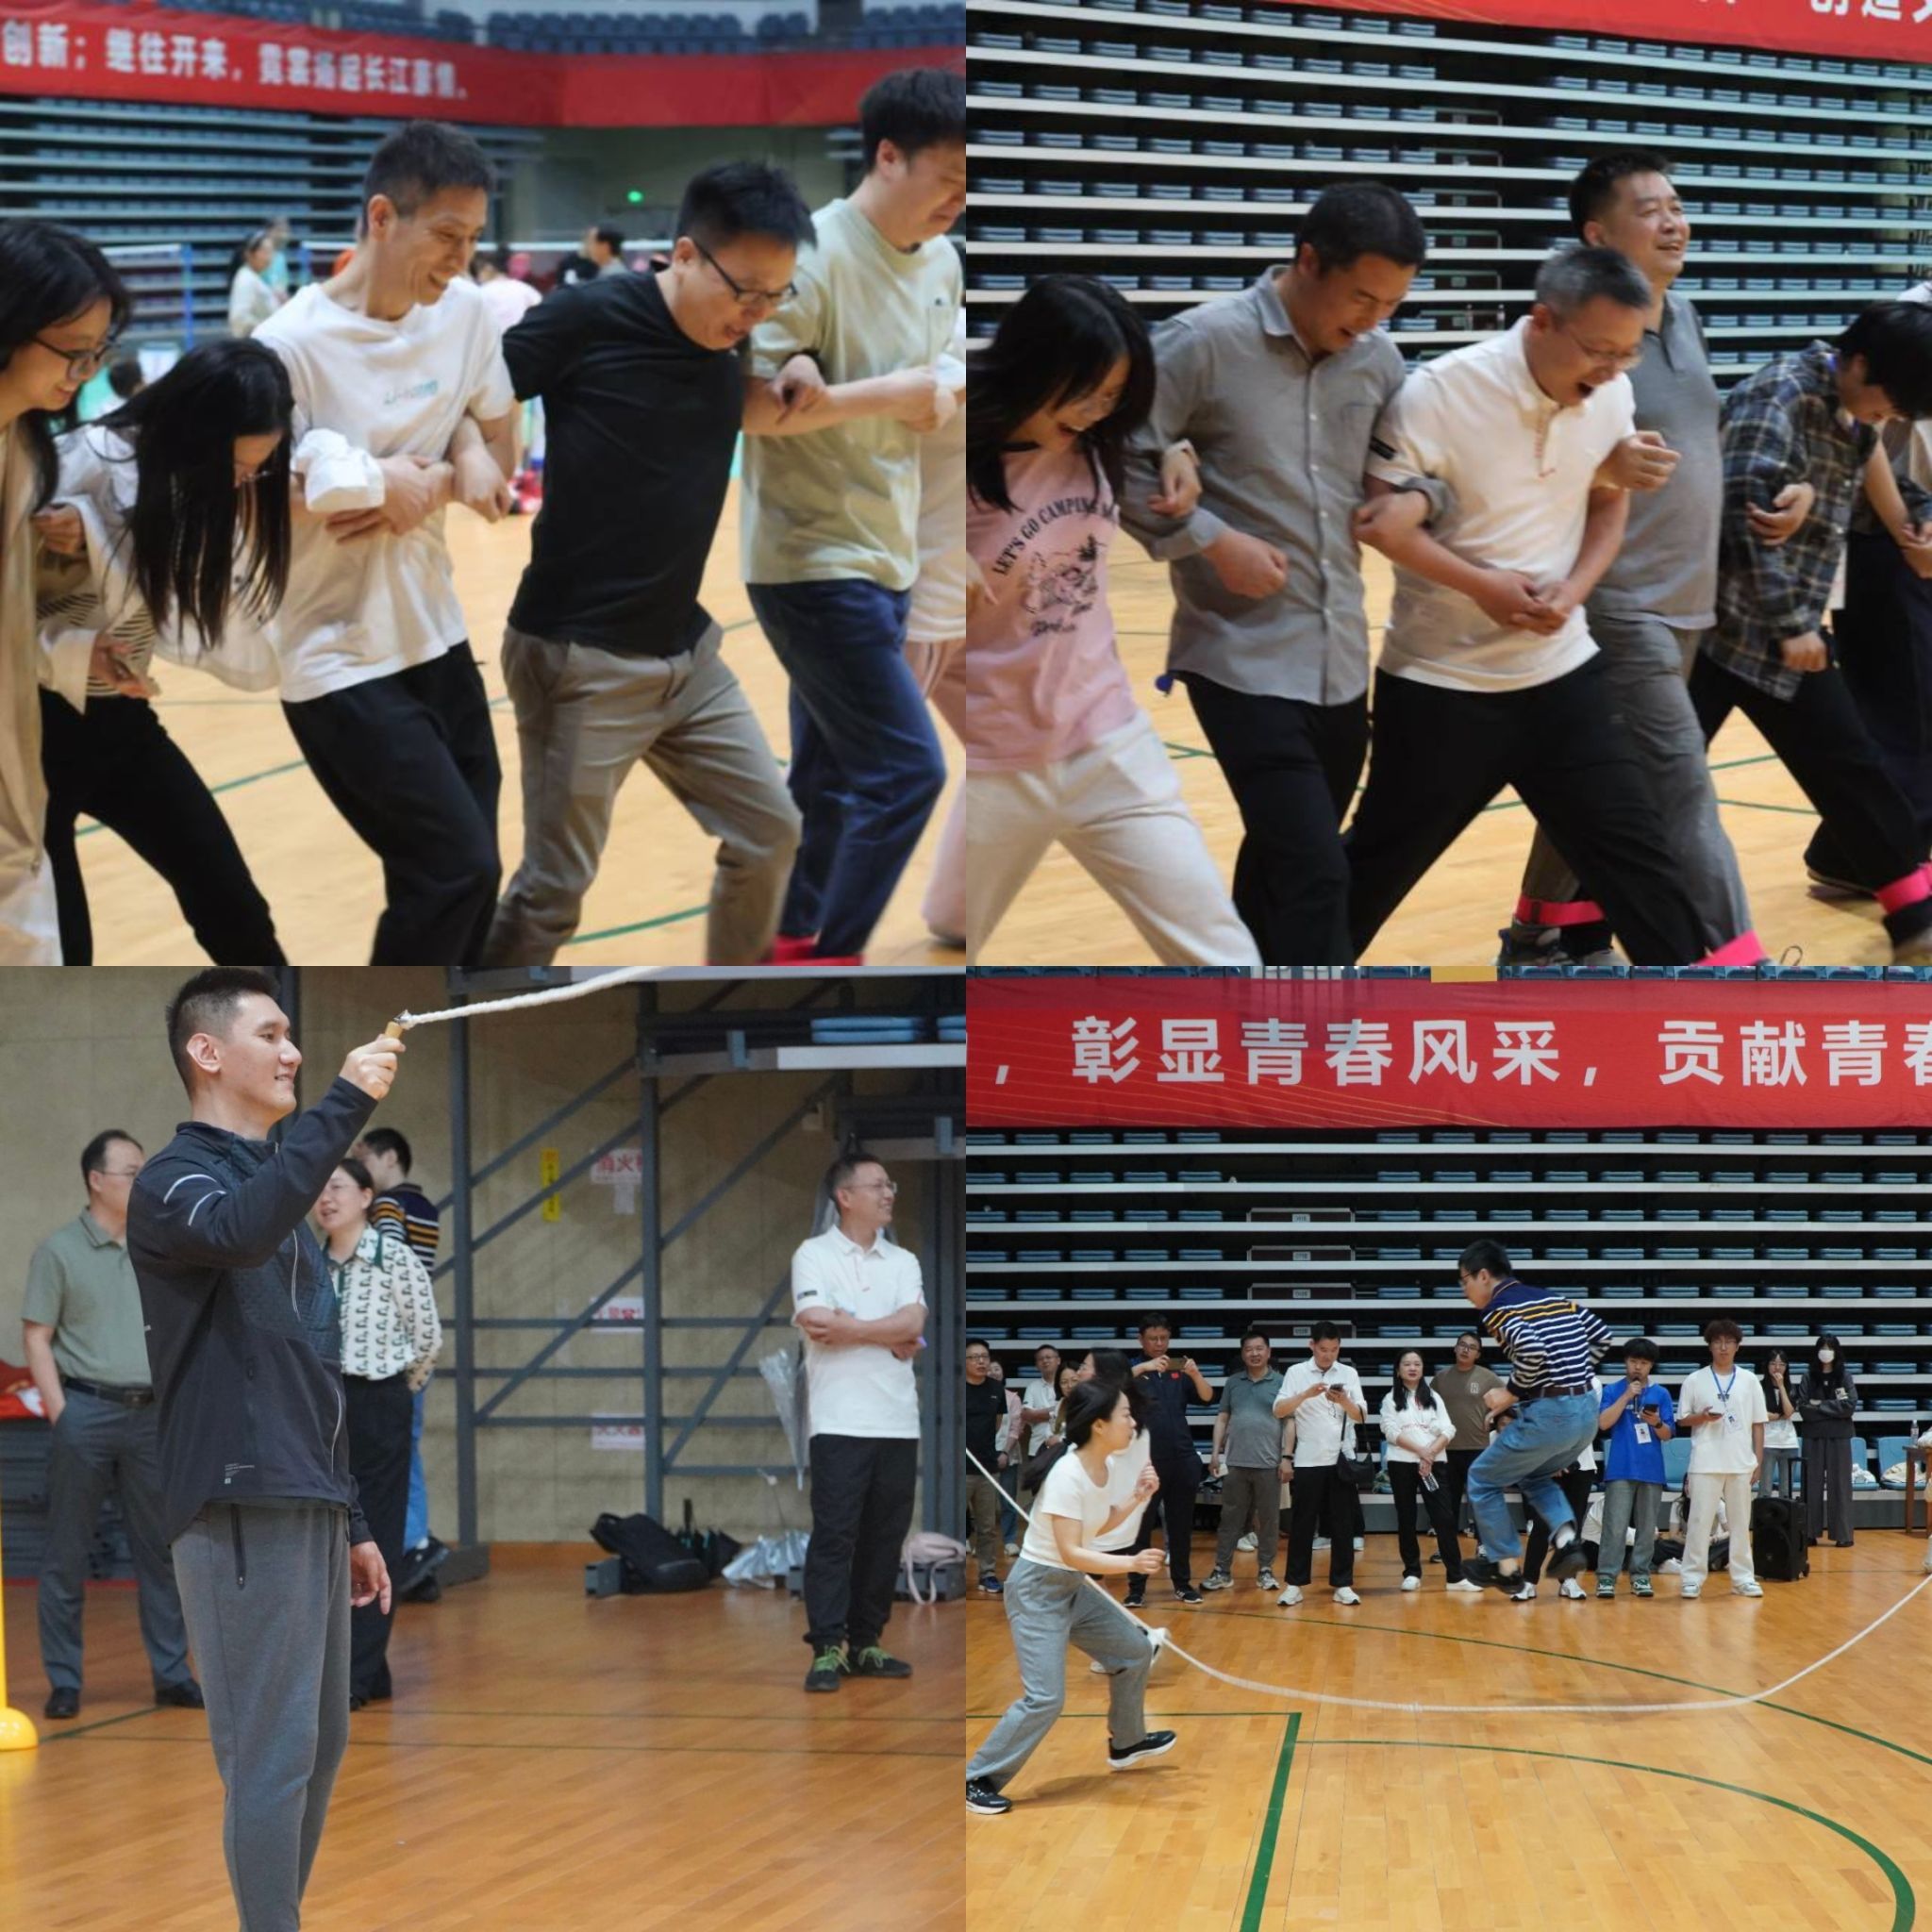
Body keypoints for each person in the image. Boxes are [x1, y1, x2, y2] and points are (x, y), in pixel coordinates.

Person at [481, 161, 823, 969]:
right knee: (554, 892)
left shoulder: (728, 332)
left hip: (688, 657)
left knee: (770, 833)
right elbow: (475, 391)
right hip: (580, 657)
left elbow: (746, 379)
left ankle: (728, 1001)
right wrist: (474, 460)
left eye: (776, 297)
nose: (756, 314)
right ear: (686, 255)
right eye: (746, 293)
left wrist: (800, 358)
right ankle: (477, 1014)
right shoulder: (590, 316)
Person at [126, 968, 400, 1932]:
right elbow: (238, 1233)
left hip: (307, 1498)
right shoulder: (174, 1182)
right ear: (207, 1052)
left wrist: (351, 1516)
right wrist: (346, 1103)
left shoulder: (275, 1192)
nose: (294, 1052)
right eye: (272, 1034)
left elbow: (312, 1371)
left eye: (293, 1036)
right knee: (271, 1754)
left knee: (317, 1749)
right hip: (236, 1499)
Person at [1350, 246, 1714, 964]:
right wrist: (1481, 585)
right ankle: (1275, 1002)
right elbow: (1382, 522)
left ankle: (1697, 1011)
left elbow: (1608, 498)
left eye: (1628, 353)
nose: (1612, 370)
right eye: (1599, 350)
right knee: (1374, 868)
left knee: (1643, 867)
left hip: (1562, 676)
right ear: (1542, 321)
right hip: (1441, 684)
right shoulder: (1441, 391)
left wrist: (1574, 589)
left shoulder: (1610, 391)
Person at [1500, 152, 1810, 966]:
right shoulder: (1572, 341)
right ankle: (1737, 969)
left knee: (1607, 774)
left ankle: (1539, 933)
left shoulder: (1684, 314)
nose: (1674, 222)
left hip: (1688, 599)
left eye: (1676, 205)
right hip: (1619, 599)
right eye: (1650, 210)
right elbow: (1529, 455)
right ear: (1597, 235)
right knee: (1680, 791)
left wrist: (1788, 489)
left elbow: (1705, 434)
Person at [1120, 183, 1428, 963]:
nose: (1374, 319)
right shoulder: (1202, 343)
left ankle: (1241, 1005)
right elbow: (1114, 455)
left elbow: (1416, 470)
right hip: (1237, 656)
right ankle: (1322, 1032)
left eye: (1392, 304)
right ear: (1309, 261)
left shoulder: (1379, 362)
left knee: (1279, 868)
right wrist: (1211, 539)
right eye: (1362, 297)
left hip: (1340, 661)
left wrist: (1416, 501)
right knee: (1317, 873)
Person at [254, 120, 520, 966]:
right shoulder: (287, 346)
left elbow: (502, 447)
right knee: (452, 870)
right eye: (446, 235)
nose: (461, 258)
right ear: (381, 217)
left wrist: (444, 472)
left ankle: (430, 1027)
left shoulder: (467, 314)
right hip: (335, 654)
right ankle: (390, 1028)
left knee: (471, 875)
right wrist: (373, 483)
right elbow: (247, 501)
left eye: (473, 238)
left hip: (435, 633)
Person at [963, 275, 1259, 965]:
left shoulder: (1096, 437)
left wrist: (1175, 449)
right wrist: (924, 561)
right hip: (992, 764)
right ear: (1036, 366)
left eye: (1113, 396)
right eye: (1087, 391)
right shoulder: (952, 454)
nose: (1098, 410)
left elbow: (1161, 422)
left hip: (1108, 743)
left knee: (1224, 960)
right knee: (946, 957)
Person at [742, 67, 965, 963]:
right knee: (908, 772)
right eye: (948, 178)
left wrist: (919, 391)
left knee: (829, 778)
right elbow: (757, 407)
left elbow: (939, 382)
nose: (959, 200)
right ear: (889, 157)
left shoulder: (943, 262)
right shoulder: (811, 255)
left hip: (886, 554)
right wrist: (887, 392)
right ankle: (836, 958)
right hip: (809, 560)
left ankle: (788, 937)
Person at [33, 337, 291, 963]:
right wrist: (72, 647)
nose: (242, 482)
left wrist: (98, 541)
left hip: (119, 720)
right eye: (237, 466)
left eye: (254, 471)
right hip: (30, 730)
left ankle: (277, 1009)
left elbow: (185, 608)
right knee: (63, 948)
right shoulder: (79, 462)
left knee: (233, 906)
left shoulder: (189, 483)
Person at [1692, 304, 1932, 962]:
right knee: (1657, 789)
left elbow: (1873, 490)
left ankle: (1916, 920)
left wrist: (1921, 516)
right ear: (1858, 363)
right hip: (1722, 635)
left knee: (1852, 767)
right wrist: (1793, 625)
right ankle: (1563, 927)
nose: (1886, 416)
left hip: (1779, 640)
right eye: (1887, 402)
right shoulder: (1781, 394)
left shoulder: (1848, 411)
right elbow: (1741, 519)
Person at [24, 1130, 202, 1720]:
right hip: (85, 1413)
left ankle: (172, 1674)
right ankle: (64, 1679)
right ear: (96, 1180)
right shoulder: (59, 1251)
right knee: (66, 1553)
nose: (142, 1181)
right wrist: (61, 1413)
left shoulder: (157, 1246)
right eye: (131, 1172)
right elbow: (37, 1337)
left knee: (162, 1552)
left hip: (151, 1417)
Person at [0, 220, 128, 961]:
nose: (84, 372)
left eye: (97, 353)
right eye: (73, 351)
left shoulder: (25, 446)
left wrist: (75, 651)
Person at [964, 1378, 1174, 1817]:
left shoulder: (1104, 1466)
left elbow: (1097, 1524)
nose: (1132, 1422)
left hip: (1070, 1587)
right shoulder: (1067, 1475)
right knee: (1045, 1698)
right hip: (1038, 1591)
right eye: (1125, 1415)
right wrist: (1133, 1564)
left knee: (1135, 1652)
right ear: (1099, 1425)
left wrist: (1137, 1498)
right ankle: (977, 1777)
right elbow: (1072, 1551)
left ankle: (1127, 1742)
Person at [1807, 277, 1932, 896]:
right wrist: (1910, 528)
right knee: (1900, 716)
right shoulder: (1905, 326)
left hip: (1917, 528)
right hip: (1890, 542)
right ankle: (1878, 861)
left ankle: (1860, 855)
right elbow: (1865, 442)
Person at [791, 1148, 925, 1693]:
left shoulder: (903, 1261)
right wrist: (887, 1333)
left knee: (883, 1539)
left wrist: (854, 1327)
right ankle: (827, 1648)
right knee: (835, 1536)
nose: (889, 1192)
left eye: (890, 1185)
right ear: (845, 1196)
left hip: (897, 1422)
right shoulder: (813, 1254)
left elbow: (914, 1322)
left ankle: (867, 1641)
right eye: (877, 1185)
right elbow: (816, 1319)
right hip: (839, 1421)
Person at [313, 1157, 441, 1707]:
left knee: (378, 1537)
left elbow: (427, 1339)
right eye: (319, 1190)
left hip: (381, 1399)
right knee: (335, 1537)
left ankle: (358, 1675)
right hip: (326, 1408)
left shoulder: (395, 1258)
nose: (326, 1198)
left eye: (338, 1187)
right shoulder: (311, 1264)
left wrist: (395, 1393)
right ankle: (371, 1666)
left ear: (367, 1196)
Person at [1455, 1240, 1613, 1593]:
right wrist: (1572, 1378)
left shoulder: (1498, 1308)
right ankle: (1568, 1542)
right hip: (1586, 1413)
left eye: (1464, 1281)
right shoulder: (1552, 1298)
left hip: (1551, 1413)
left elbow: (1531, 1350)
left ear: (1483, 1276)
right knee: (1533, 1475)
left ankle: (1505, 1567)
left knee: (1480, 1477)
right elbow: (1602, 1336)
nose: (1464, 1291)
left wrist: (1510, 1393)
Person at [353, 1125, 446, 1599]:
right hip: (415, 1337)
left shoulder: (388, 1207)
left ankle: (411, 1546)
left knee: (395, 1452)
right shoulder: (426, 1206)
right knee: (406, 1447)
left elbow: (384, 1263)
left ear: (390, 1158)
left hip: (393, 1345)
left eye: (364, 1158)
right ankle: (416, 1546)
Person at [908, 306, 968, 949]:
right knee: (868, 772)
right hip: (909, 599)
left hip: (958, 597)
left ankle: (956, 909)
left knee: (1007, 749)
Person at [1272, 1320, 1367, 1607]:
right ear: (1311, 1345)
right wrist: (1305, 1395)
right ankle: (1294, 1585)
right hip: (1307, 1460)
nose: (1329, 1355)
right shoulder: (1296, 1372)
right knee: (1302, 1525)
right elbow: (1278, 1411)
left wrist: (1344, 1401)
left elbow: (1361, 1415)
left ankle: (1343, 1584)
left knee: (1343, 1525)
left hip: (1340, 1459)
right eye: (1324, 1349)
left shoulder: (1349, 1373)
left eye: (1334, 1349)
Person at [1676, 1318, 1767, 1599]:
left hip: (1740, 1463)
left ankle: (1743, 1578)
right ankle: (1691, 1578)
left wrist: (1758, 1461)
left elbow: (1758, 1423)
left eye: (1729, 1342)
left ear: (1738, 1346)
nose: (1724, 1347)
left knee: (1740, 1524)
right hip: (1705, 1462)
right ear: (1710, 1346)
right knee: (1699, 1522)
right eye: (1718, 1342)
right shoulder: (1695, 1380)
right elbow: (1682, 1419)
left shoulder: (1750, 1380)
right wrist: (1702, 1417)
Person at [1125, 1312, 1211, 1605]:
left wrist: (1195, 1374)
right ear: (1141, 1339)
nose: (1159, 1344)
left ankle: (1183, 1584)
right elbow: (1110, 1387)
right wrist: (1144, 1367)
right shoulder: (1132, 1369)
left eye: (1163, 1338)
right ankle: (1136, 1589)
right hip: (1145, 1461)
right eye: (1153, 1339)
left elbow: (1207, 1397)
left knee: (1181, 1526)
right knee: (1141, 1527)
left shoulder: (1179, 1368)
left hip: (1182, 1457)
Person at [1380, 1349, 1475, 1592]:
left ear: (1423, 1369)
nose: (1412, 1368)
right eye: (1407, 1364)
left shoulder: (1434, 1397)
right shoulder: (1390, 1399)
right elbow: (1390, 1432)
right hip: (1401, 1464)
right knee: (1406, 1518)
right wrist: (1422, 1451)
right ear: (1398, 1370)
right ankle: (1412, 1572)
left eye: (1417, 1364)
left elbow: (1448, 1429)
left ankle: (1455, 1576)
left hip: (1434, 1464)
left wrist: (1429, 1454)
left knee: (1444, 1518)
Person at [1204, 1326, 1288, 1593]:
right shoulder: (1233, 1383)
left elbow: (1290, 1422)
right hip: (1236, 1464)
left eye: (1259, 1348)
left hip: (1269, 1465)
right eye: (1249, 1349)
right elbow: (1222, 1418)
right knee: (1230, 1520)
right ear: (1242, 1354)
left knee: (1269, 1522)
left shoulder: (1282, 1382)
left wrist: (1287, 1457)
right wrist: (1215, 1453)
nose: (1254, 1353)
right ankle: (1222, 1571)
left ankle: (1266, 1571)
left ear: (1268, 1352)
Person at [1595, 1338, 1675, 1598]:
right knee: (1615, 1526)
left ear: (1651, 1366)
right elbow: (1603, 1424)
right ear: (1625, 1362)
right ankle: (1607, 1577)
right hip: (1621, 1467)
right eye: (1633, 1361)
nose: (1637, 1367)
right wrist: (1627, 1396)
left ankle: (1640, 1574)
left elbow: (1667, 1435)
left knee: (1647, 1527)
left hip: (1651, 1469)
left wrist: (1657, 1423)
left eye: (1643, 1363)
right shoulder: (1612, 1390)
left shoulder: (1661, 1394)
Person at [1514, 1385, 1599, 1601]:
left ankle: (1568, 1580)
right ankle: (1529, 1581)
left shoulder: (1593, 1383)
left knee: (1573, 1525)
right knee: (1542, 1525)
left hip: (1582, 1466)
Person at [1431, 1330, 1505, 1541]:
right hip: (1446, 1450)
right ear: (1455, 1348)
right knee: (1448, 1503)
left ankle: (1484, 1546)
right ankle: (1447, 1549)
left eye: (1472, 1347)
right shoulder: (1440, 1379)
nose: (1466, 1350)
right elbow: (1428, 1410)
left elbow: (1508, 1398)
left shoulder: (1488, 1377)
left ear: (1478, 1354)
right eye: (1462, 1345)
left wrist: (1493, 1415)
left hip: (1478, 1449)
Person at [1795, 1332, 1858, 1547]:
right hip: (1813, 1436)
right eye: (1823, 1347)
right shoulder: (1808, 1376)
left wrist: (1819, 1405)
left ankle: (1843, 1534)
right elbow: (1804, 1408)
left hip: (1839, 1437)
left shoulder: (1844, 1376)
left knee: (1840, 1485)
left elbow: (1850, 1405)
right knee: (1810, 1485)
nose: (1826, 1351)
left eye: (1830, 1347)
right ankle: (1809, 1532)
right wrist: (1833, 1409)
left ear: (1836, 1351)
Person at [963, 1339, 1008, 1593]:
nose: (981, 1361)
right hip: (959, 1469)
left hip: (987, 1469)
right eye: (974, 1357)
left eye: (984, 1357)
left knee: (988, 1527)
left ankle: (988, 1574)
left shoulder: (996, 1388)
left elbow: (997, 1423)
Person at [1760, 1347, 1801, 1500]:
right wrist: (1776, 1416)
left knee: (1786, 1492)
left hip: (1789, 1443)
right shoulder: (1759, 1387)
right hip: (1767, 1443)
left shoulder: (1791, 1388)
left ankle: (1787, 1516)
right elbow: (1758, 1413)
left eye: (1781, 1364)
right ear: (1767, 1365)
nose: (1777, 1367)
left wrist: (1781, 1386)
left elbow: (1789, 1412)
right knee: (1765, 1490)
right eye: (1773, 1363)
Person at [472, 247, 541, 336]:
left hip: (492, 340)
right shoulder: (527, 290)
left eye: (477, 272)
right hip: (522, 339)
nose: (478, 278)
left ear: (488, 268)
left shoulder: (480, 293)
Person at [228, 230, 284, 339]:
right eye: (265, 252)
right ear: (249, 254)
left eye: (271, 252)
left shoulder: (254, 277)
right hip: (254, 343)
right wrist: (267, 328)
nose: (269, 257)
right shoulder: (245, 278)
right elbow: (239, 318)